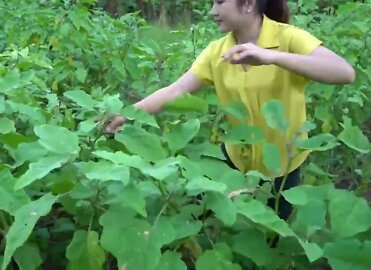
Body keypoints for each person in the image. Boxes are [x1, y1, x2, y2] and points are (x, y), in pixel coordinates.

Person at [104, 0, 355, 221]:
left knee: (273, 232)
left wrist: (271, 57)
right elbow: (175, 91)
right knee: (217, 220)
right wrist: (127, 115)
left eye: (220, 2)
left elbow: (344, 72)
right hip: (236, 156)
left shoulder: (288, 38)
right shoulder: (217, 51)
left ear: (247, 4)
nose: (213, 11)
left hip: (284, 161)